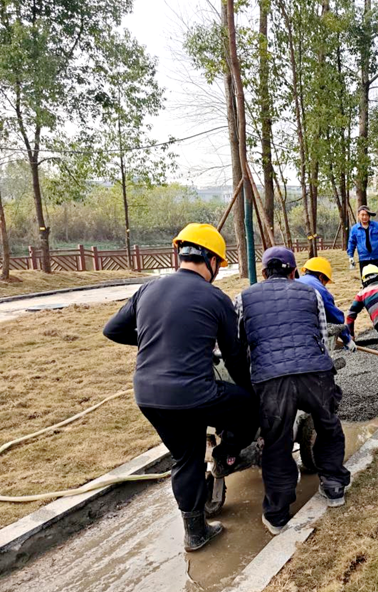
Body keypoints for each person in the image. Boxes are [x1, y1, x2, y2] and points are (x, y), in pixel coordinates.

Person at [103, 223, 258, 552]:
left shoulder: (148, 289)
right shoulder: (215, 297)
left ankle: (197, 527)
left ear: (180, 253)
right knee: (248, 407)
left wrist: (153, 339)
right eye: (219, 265)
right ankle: (227, 455)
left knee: (185, 456)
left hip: (146, 395)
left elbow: (112, 330)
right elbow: (233, 356)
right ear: (212, 261)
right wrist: (251, 390)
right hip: (193, 394)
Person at [235, 246, 352, 535]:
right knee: (327, 423)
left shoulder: (243, 297)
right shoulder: (310, 293)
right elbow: (323, 334)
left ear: (263, 273)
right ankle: (334, 486)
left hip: (271, 379)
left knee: (276, 441)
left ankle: (277, 514)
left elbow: (239, 342)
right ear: (294, 272)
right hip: (314, 371)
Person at [297, 256, 355, 349]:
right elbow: (335, 318)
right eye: (326, 281)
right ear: (321, 276)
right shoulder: (319, 289)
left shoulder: (295, 281)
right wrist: (347, 339)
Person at [347, 205, 378, 282]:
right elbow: (351, 243)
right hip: (364, 259)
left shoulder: (377, 226)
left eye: (366, 215)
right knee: (366, 282)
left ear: (369, 216)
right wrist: (351, 256)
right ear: (358, 216)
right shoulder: (354, 229)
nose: (364, 217)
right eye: (362, 215)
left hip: (377, 258)